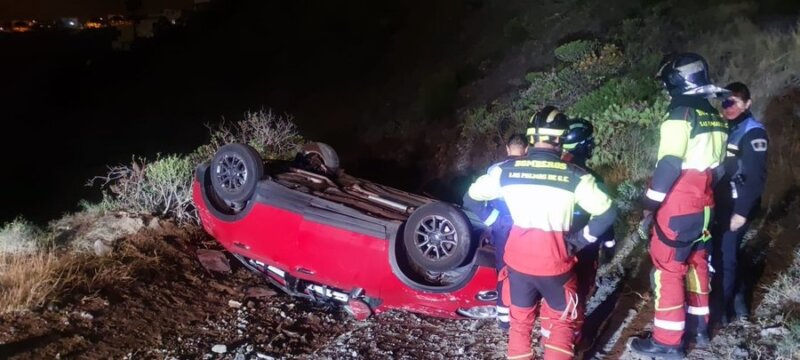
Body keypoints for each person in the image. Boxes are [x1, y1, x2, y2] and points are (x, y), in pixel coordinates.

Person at [466, 106, 617, 360]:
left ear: (531, 138)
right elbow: (607, 213)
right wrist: (579, 242)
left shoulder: (507, 171)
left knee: (520, 325)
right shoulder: (576, 177)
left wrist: (496, 220)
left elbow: (470, 199)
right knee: (561, 324)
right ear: (560, 139)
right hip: (556, 265)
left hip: (518, 266)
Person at [630, 53, 728, 358]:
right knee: (698, 264)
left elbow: (670, 164)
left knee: (668, 269)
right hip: (706, 202)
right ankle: (700, 330)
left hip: (679, 203)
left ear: (674, 81)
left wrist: (649, 203)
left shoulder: (680, 115)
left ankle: (667, 343)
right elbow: (721, 169)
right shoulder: (715, 117)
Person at [712, 82, 768, 324]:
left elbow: (756, 178)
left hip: (737, 206)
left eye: (734, 102)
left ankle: (721, 312)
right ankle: (739, 300)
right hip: (725, 202)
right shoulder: (731, 127)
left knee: (725, 256)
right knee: (729, 251)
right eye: (725, 102)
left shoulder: (753, 132)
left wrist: (741, 213)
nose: (728, 107)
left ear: (747, 103)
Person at [462, 133, 529, 331]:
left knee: (503, 270)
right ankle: (524, 312)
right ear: (526, 150)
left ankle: (504, 319)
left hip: (504, 226)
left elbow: (472, 199)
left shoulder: (496, 170)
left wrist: (494, 221)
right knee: (529, 269)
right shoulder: (534, 170)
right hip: (528, 225)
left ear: (507, 149)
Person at [561, 118, 616, 347]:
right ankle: (574, 335)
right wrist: (610, 243)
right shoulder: (589, 177)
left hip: (554, 242)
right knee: (580, 288)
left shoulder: (553, 168)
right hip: (584, 243)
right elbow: (605, 214)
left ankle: (555, 333)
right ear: (584, 144)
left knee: (559, 289)